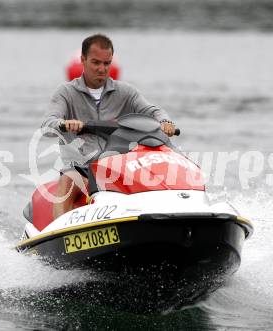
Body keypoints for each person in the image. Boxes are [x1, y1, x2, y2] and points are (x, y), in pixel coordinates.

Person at [41, 34, 176, 219]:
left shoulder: (126, 92)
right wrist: (64, 124)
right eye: (96, 63)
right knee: (68, 180)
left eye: (107, 63)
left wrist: (165, 122)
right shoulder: (65, 93)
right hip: (82, 169)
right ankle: (59, 233)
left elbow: (153, 111)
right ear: (83, 60)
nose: (102, 69)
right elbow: (47, 125)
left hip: (118, 167)